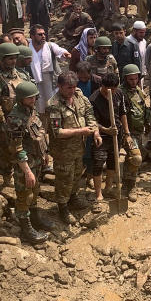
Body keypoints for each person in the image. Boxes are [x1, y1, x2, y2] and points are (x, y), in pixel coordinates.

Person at [0, 81, 51, 244]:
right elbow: (17, 148)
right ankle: (26, 228)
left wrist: (44, 153)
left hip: (36, 160)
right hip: (24, 164)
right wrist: (26, 171)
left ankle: (35, 218)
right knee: (24, 195)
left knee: (35, 191)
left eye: (34, 97)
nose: (33, 101)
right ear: (21, 99)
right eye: (29, 98)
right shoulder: (15, 119)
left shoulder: (31, 110)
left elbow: (38, 133)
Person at [46, 71, 101, 223]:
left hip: (79, 148)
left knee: (77, 174)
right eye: (68, 88)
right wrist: (81, 131)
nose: (72, 91)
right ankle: (63, 207)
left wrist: (95, 131)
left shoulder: (78, 96)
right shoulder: (53, 105)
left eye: (74, 87)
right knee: (64, 179)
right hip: (63, 151)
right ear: (59, 86)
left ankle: (73, 198)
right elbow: (57, 132)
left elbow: (89, 114)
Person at [88, 72, 139, 206]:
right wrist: (106, 130)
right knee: (99, 163)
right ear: (103, 86)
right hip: (101, 136)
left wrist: (127, 133)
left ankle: (109, 187)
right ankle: (98, 193)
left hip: (117, 134)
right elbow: (92, 122)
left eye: (113, 88)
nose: (110, 91)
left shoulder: (119, 94)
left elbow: (123, 113)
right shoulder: (93, 99)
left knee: (113, 160)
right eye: (107, 89)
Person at [0, 42, 28, 184]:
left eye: (15, 58)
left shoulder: (19, 74)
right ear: (2, 59)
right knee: (7, 151)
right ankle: (7, 177)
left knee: (23, 147)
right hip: (7, 121)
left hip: (22, 118)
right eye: (10, 59)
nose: (13, 61)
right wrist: (3, 123)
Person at [28, 24, 71, 114]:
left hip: (50, 81)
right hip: (35, 81)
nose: (43, 36)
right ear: (32, 36)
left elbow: (59, 50)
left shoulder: (50, 46)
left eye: (44, 34)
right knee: (39, 105)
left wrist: (65, 53)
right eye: (40, 34)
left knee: (53, 104)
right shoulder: (28, 47)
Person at [120, 63, 150, 178]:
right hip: (126, 133)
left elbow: (144, 109)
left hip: (138, 130)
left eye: (136, 78)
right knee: (136, 157)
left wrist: (147, 124)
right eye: (130, 79)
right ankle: (129, 184)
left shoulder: (138, 91)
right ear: (125, 79)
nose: (134, 81)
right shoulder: (120, 93)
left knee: (137, 155)